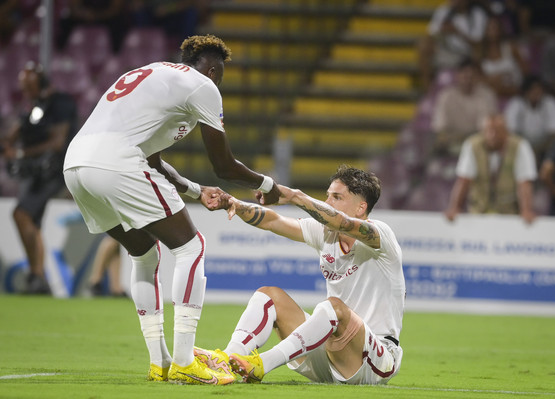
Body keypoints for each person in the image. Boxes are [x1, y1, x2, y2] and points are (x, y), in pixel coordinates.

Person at [62, 34, 281, 385]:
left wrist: (196, 191)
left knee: (145, 255)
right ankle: (183, 361)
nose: (218, 84)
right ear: (211, 69)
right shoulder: (202, 85)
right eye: (219, 76)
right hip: (116, 163)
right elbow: (223, 165)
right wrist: (267, 186)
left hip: (76, 165)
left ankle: (160, 362)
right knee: (191, 247)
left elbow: (153, 160)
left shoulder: (151, 73)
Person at [194, 165, 405, 385]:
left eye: (337, 197)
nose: (328, 202)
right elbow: (272, 221)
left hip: (374, 361)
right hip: (329, 355)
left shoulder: (380, 235)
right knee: (269, 296)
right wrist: (235, 205)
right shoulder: (326, 234)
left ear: (361, 207)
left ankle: (262, 364)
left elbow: (342, 222)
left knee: (332, 307)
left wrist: (295, 196)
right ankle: (227, 359)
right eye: (327, 196)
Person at [0, 61, 78, 294]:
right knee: (30, 221)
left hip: (54, 171)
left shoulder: (61, 103)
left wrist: (21, 153)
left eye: (29, 87)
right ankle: (38, 278)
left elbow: (57, 142)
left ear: (41, 84)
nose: (25, 93)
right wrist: (9, 144)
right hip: (34, 173)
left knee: (21, 214)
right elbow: (17, 131)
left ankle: (37, 274)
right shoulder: (35, 106)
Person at [445, 114, 537, 223]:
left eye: (497, 131)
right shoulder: (472, 145)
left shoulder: (520, 146)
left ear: (506, 132)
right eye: (488, 131)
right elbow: (464, 180)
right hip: (478, 211)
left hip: (509, 214)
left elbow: (524, 182)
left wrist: (526, 210)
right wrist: (455, 208)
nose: (492, 135)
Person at [431, 58, 498, 157]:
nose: (468, 80)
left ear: (478, 77)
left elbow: (486, 130)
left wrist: (467, 140)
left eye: (472, 76)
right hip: (450, 145)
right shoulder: (446, 96)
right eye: (465, 75)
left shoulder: (487, 95)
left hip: (478, 146)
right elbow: (440, 130)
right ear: (457, 75)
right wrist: (456, 138)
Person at [418, 0, 488, 90]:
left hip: (468, 53)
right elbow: (430, 35)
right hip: (447, 51)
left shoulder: (477, 14)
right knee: (424, 45)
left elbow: (479, 44)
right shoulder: (443, 11)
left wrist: (457, 32)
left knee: (478, 52)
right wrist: (441, 32)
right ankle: (428, 90)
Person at [504, 75, 555, 164]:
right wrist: (527, 150)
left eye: (539, 89)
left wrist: (539, 151)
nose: (536, 92)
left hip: (544, 148)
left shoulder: (549, 102)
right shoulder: (516, 103)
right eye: (533, 89)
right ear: (526, 91)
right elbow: (511, 132)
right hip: (521, 145)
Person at [478, 15, 528, 98]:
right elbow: (480, 80)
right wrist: (495, 78)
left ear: (501, 30)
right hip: (492, 95)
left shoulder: (511, 48)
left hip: (515, 92)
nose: (492, 31)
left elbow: (526, 71)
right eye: (490, 28)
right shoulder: (480, 54)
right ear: (485, 31)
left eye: (495, 28)